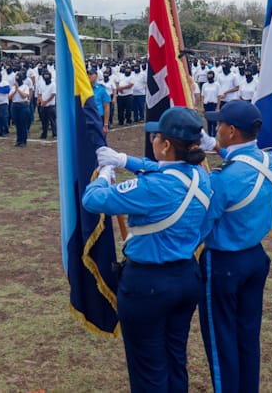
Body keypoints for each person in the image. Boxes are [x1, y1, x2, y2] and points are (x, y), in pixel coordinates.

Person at [84, 107, 210, 393]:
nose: (152, 139)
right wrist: (125, 160)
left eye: (155, 136)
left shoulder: (151, 187)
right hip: (186, 277)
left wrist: (105, 173)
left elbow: (93, 200)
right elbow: (163, 169)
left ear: (165, 145)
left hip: (148, 286)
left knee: (148, 369)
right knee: (175, 357)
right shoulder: (202, 176)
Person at [198, 101, 272, 393]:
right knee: (247, 337)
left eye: (218, 125)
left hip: (223, 264)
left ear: (231, 131)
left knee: (221, 342)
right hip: (255, 259)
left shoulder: (222, 179)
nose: (215, 128)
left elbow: (202, 224)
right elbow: (245, 161)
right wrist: (217, 148)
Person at [10, 72, 31, 147]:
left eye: (18, 78)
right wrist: (15, 90)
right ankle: (18, 140)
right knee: (17, 124)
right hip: (15, 105)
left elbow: (24, 96)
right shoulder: (13, 87)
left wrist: (18, 89)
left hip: (23, 105)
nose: (16, 79)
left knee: (23, 124)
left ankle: (23, 141)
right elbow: (9, 97)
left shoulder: (25, 87)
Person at [37, 71, 56, 139]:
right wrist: (41, 101)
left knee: (52, 121)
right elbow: (39, 94)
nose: (46, 77)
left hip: (51, 106)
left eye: (47, 75)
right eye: (45, 75)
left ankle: (55, 134)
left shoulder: (53, 84)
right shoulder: (42, 84)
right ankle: (44, 134)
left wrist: (46, 101)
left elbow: (53, 94)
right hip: (43, 106)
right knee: (44, 121)